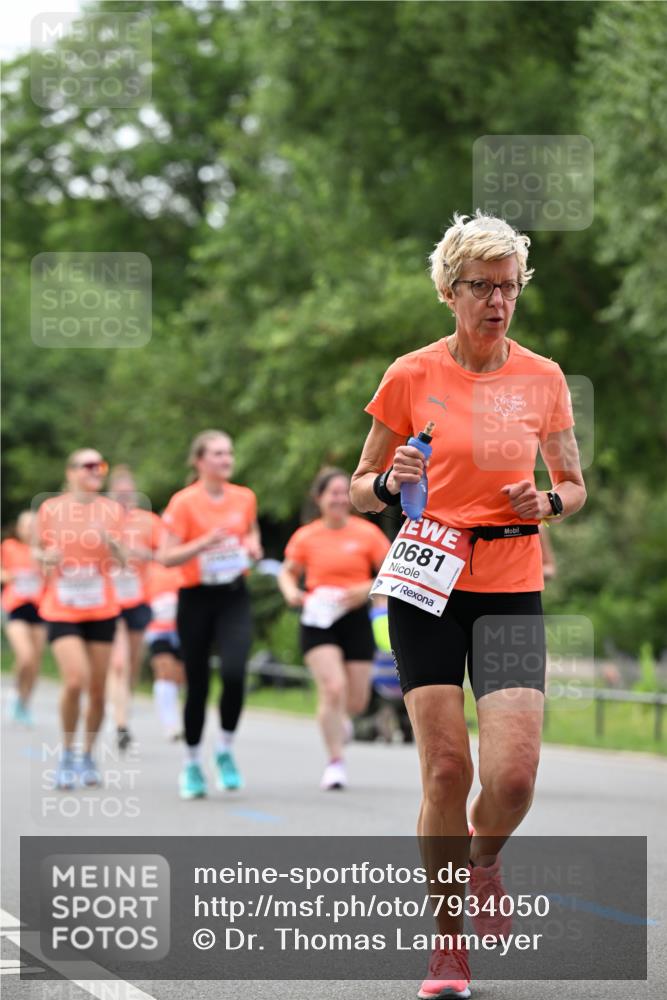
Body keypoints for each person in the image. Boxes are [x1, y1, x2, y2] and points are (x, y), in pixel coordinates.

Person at [350, 211, 586, 999]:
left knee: (512, 778)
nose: (497, 301)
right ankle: (446, 944)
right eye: (482, 286)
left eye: (509, 287)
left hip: (512, 582)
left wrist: (547, 502)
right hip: (427, 586)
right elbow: (359, 485)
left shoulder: (543, 377)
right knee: (447, 767)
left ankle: (482, 861)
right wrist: (389, 483)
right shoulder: (410, 375)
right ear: (449, 291)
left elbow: (575, 485)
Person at [161, 430, 262, 799]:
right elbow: (165, 556)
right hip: (196, 598)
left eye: (229, 453)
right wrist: (204, 542)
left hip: (234, 594)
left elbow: (251, 533)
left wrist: (252, 546)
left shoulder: (244, 497)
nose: (226, 459)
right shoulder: (184, 503)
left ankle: (224, 751)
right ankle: (191, 763)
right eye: (218, 453)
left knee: (235, 673)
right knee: (198, 683)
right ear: (200, 461)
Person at [278, 468, 390, 790]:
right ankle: (335, 762)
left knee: (355, 702)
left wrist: (366, 588)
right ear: (319, 498)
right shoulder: (306, 536)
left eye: (344, 493)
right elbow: (287, 573)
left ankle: (341, 720)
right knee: (333, 688)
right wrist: (291, 592)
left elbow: (393, 572)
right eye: (333, 493)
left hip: (355, 618)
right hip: (317, 618)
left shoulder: (366, 533)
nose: (340, 499)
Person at [33, 449, 125, 789]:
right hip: (63, 607)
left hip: (101, 607)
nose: (95, 471)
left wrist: (110, 541)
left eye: (100, 466)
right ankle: (67, 754)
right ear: (70, 472)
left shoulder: (112, 510)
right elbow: (39, 555)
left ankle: (87, 755)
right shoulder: (50, 509)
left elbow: (125, 559)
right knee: (75, 680)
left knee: (99, 691)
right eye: (88, 466)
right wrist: (47, 556)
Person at [106, 465, 164, 751]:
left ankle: (122, 708)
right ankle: (120, 724)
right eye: (119, 495)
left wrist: (144, 554)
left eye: (129, 495)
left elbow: (166, 554)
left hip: (139, 599)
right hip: (110, 601)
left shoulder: (149, 522)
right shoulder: (101, 521)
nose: (124, 500)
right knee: (118, 662)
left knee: (132, 664)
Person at [1, 511, 46, 725]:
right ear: (19, 528)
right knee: (25, 655)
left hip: (39, 608)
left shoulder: (43, 551)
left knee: (35, 662)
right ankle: (16, 691)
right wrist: (9, 576)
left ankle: (24, 702)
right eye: (26, 525)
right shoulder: (10, 547)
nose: (30, 529)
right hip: (16, 607)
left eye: (33, 526)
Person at [144, 558, 185, 740]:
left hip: (183, 628)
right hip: (158, 629)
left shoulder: (185, 563)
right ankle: (170, 724)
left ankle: (180, 719)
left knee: (179, 676)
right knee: (164, 671)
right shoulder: (149, 568)